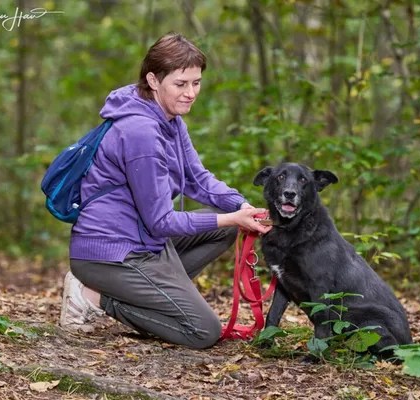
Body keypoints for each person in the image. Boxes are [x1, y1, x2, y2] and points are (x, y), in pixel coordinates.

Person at [59, 32, 272, 349]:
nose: (191, 93)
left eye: (196, 83)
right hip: (110, 253)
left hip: (142, 240)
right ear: (153, 80)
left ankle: (158, 298)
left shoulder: (170, 121)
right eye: (181, 84)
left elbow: (197, 179)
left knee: (221, 226)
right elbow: (161, 221)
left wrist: (244, 207)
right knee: (203, 331)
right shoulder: (141, 132)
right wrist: (233, 219)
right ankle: (95, 296)